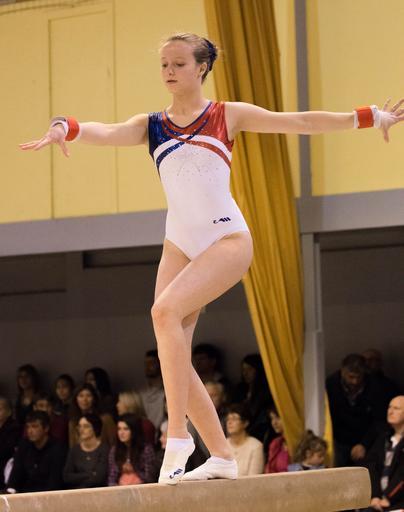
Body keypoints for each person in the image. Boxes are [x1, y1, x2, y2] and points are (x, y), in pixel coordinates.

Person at [19, 32, 404, 484]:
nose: (169, 71)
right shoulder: (152, 125)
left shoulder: (226, 114)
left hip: (226, 240)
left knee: (162, 313)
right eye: (164, 64)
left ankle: (178, 434)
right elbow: (105, 130)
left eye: (179, 63)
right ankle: (220, 454)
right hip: (179, 244)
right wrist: (65, 126)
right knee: (173, 349)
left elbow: (299, 121)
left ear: (201, 67)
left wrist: (367, 116)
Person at [326, 353, 390, 467]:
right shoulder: (331, 385)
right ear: (343, 372)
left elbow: (379, 420)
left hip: (366, 438)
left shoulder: (375, 386)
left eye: (358, 377)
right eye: (351, 377)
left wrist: (364, 444)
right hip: (339, 439)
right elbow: (329, 416)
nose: (355, 381)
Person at [5, 411, 66, 493]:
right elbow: (15, 475)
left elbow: (55, 482)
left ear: (46, 428)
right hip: (25, 494)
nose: (30, 431)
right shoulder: (24, 446)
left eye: (35, 426)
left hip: (48, 494)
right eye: (28, 427)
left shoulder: (57, 449)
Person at [362, 395, 404, 512]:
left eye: (396, 408)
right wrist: (375, 496)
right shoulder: (384, 438)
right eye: (389, 407)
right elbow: (371, 467)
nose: (390, 411)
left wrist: (388, 498)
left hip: (397, 502)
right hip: (378, 501)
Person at [233, 354, 273, 441]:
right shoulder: (240, 389)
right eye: (243, 370)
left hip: (258, 430)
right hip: (240, 426)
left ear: (258, 370)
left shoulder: (265, 391)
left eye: (249, 369)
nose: (245, 373)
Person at [108, 414, 156, 485]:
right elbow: (111, 478)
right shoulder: (115, 450)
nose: (121, 433)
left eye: (126, 429)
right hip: (119, 488)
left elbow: (150, 478)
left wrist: (134, 469)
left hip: (141, 488)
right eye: (119, 429)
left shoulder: (146, 450)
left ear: (134, 430)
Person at [63, 413, 109, 489]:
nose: (81, 429)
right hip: (77, 492)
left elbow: (99, 478)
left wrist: (78, 477)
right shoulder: (74, 450)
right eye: (79, 426)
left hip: (98, 491)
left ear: (95, 428)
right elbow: (67, 477)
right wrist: (90, 474)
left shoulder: (104, 449)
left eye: (86, 426)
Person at [225, 404, 264, 476]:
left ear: (245, 423)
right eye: (228, 419)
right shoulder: (223, 445)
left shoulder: (255, 446)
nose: (229, 422)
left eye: (234, 419)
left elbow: (254, 478)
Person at [138, 350, 166, 431]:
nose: (148, 366)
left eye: (152, 363)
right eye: (146, 363)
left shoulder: (166, 391)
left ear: (160, 364)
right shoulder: (142, 392)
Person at [0, 397, 21, 489]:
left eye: (0, 409)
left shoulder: (14, 428)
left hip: (6, 466)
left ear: (9, 412)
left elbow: (6, 450)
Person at [264, 406, 289, 473]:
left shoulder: (300, 442)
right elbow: (269, 470)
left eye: (278, 417)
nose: (274, 423)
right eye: (272, 418)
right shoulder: (275, 443)